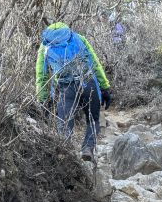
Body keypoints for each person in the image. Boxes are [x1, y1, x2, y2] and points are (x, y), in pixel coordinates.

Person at [35, 22, 112, 163]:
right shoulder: (78, 38)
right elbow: (95, 63)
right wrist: (105, 87)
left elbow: (42, 75)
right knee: (94, 119)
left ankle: (66, 155)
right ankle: (88, 149)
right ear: (67, 30)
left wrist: (43, 99)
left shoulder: (44, 46)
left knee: (64, 123)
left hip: (65, 87)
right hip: (88, 83)